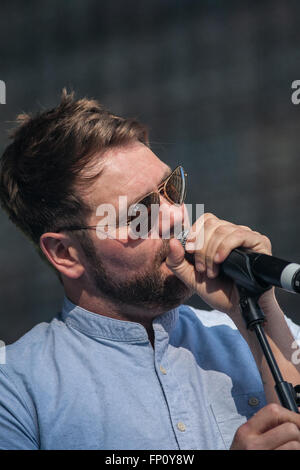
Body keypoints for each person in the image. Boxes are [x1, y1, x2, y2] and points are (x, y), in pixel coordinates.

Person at [0, 90, 300, 450]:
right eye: (137, 213)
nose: (176, 215)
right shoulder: (16, 390)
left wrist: (257, 310)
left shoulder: (247, 330)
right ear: (65, 253)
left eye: (170, 187)